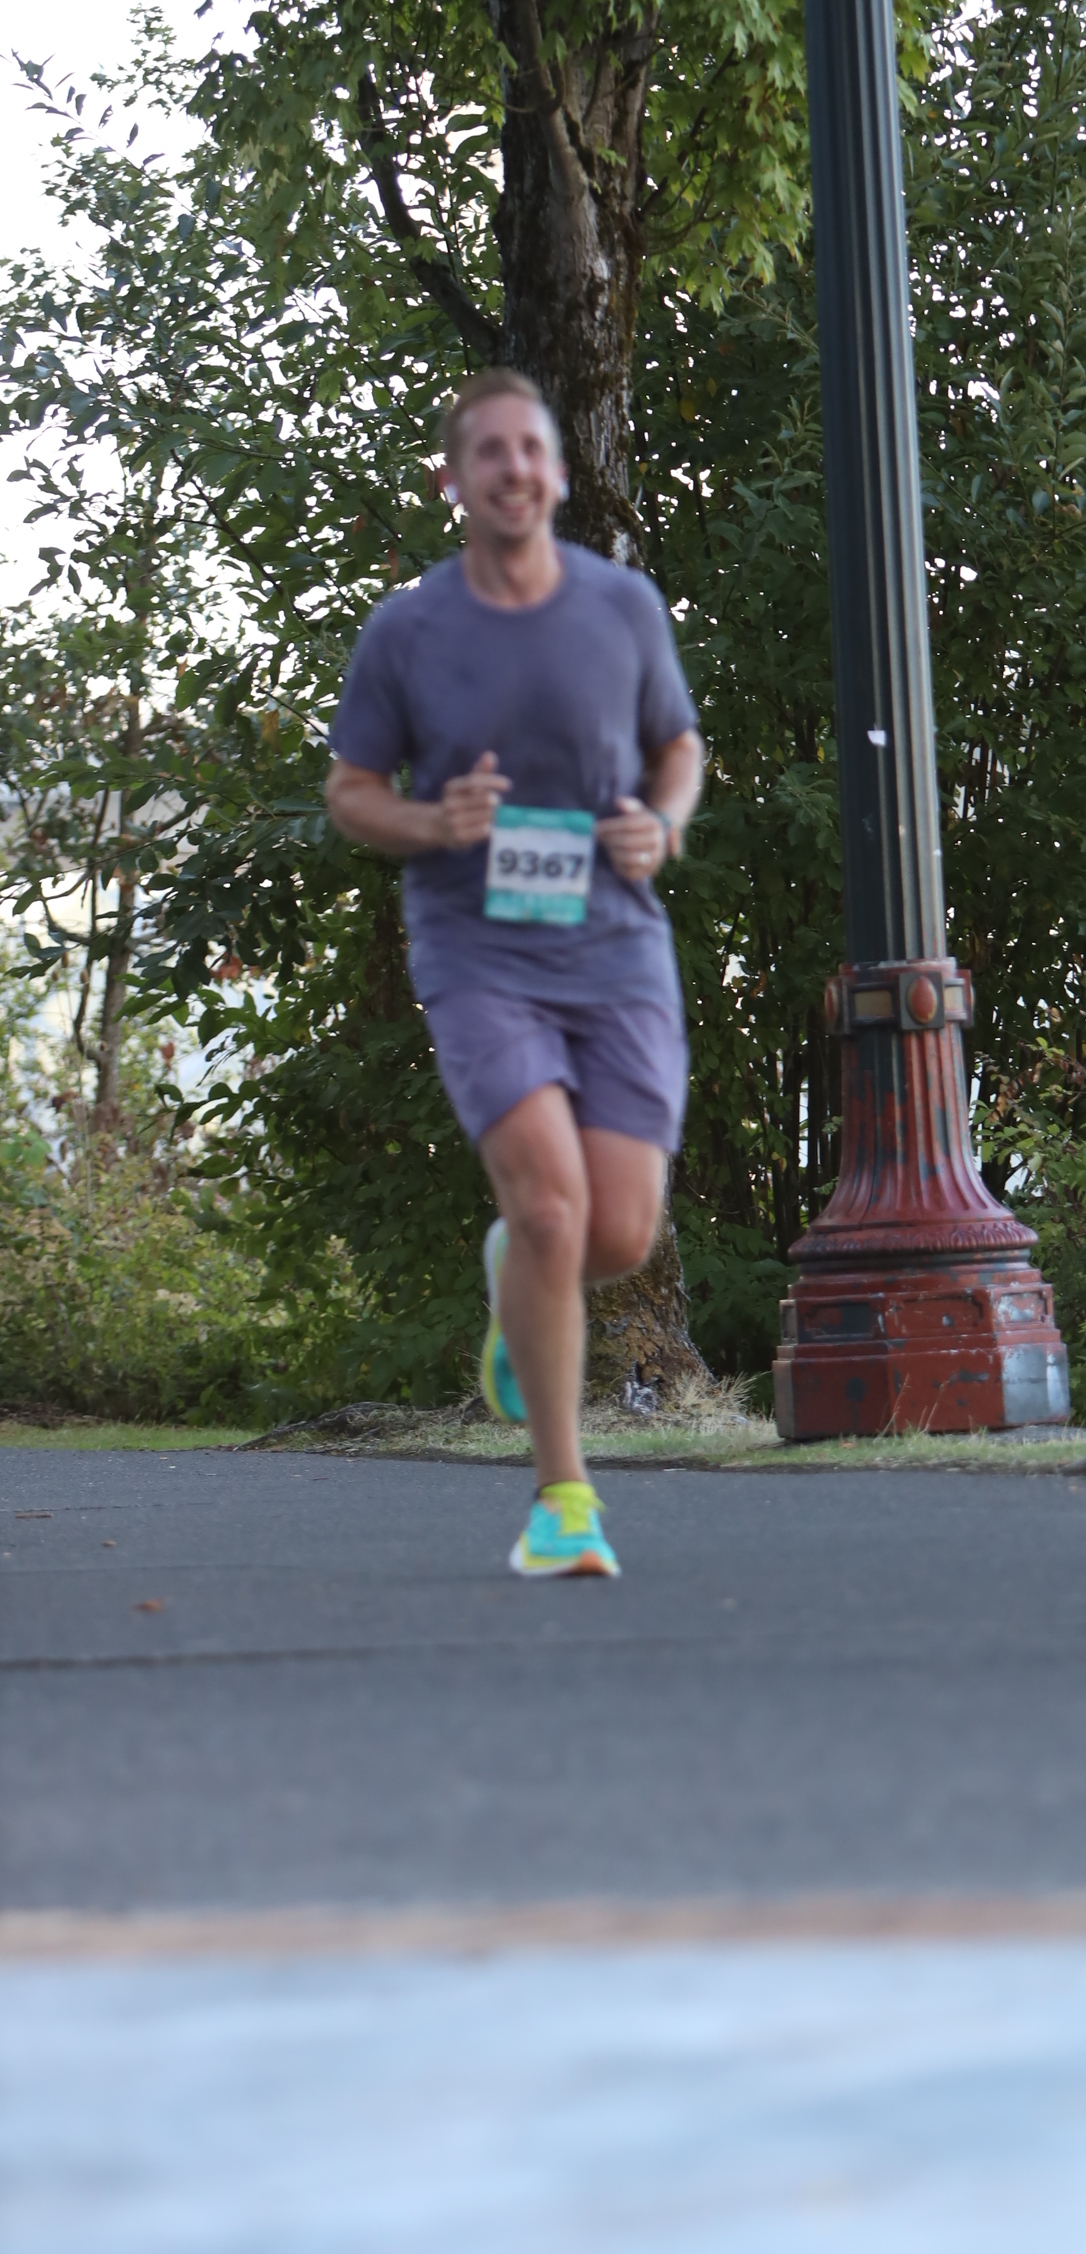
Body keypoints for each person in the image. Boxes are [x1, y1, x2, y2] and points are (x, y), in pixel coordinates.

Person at [326, 370, 704, 1579]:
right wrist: (433, 823)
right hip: (478, 949)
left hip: (614, 945)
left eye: (530, 449)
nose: (513, 469)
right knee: (548, 1208)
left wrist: (661, 822)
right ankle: (563, 1500)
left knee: (616, 1231)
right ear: (453, 479)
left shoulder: (620, 606)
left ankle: (517, 1276)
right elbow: (350, 792)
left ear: (557, 469)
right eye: (487, 452)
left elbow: (678, 748)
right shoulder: (408, 631)